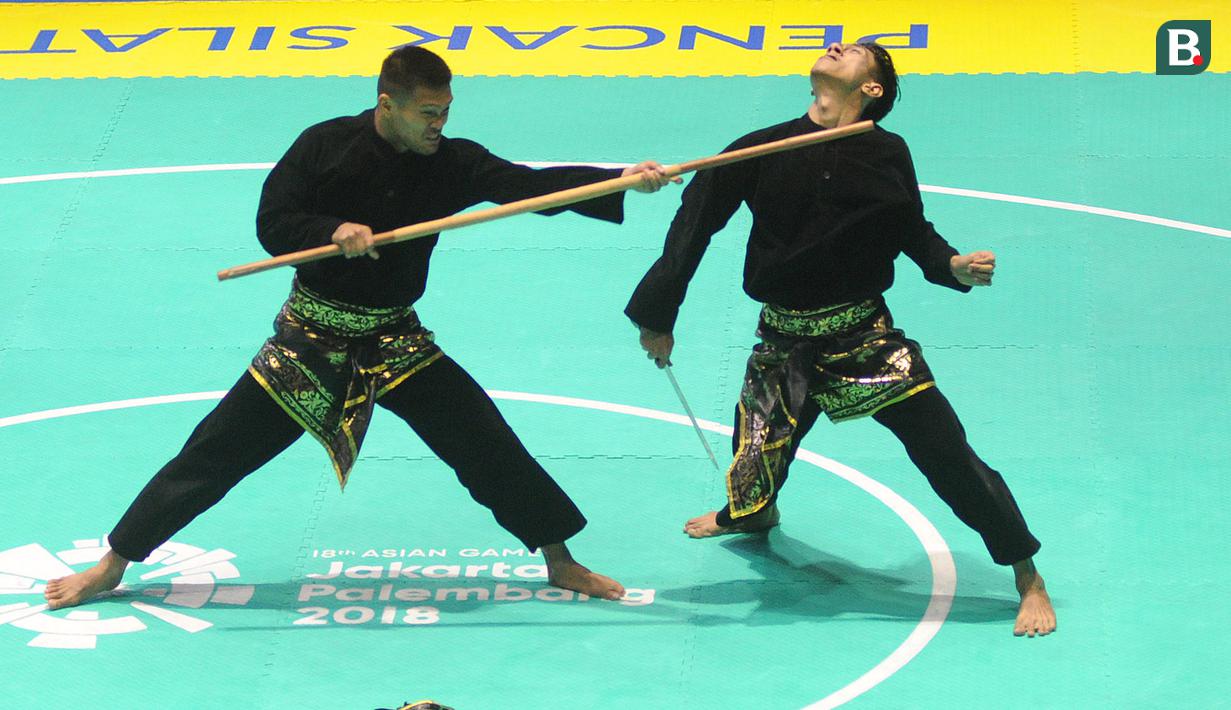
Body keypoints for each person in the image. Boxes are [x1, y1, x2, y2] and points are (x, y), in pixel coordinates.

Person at [45, 45, 677, 610]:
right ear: (387, 104)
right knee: (216, 451)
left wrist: (619, 180)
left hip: (395, 338)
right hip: (311, 339)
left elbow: (525, 186)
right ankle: (113, 563)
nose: (439, 125)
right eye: (428, 112)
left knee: (484, 439)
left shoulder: (452, 162)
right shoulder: (323, 146)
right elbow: (274, 220)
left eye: (446, 111)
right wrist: (329, 232)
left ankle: (559, 561)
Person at [626, 42, 1056, 637]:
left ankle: (1026, 574)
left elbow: (911, 227)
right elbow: (694, 222)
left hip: (864, 338)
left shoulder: (886, 152)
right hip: (782, 337)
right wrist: (658, 312)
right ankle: (752, 516)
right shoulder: (760, 146)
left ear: (872, 90)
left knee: (948, 454)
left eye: (853, 52)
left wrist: (950, 264)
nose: (834, 46)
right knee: (755, 452)